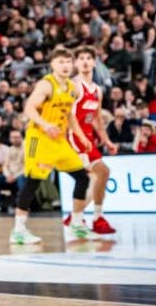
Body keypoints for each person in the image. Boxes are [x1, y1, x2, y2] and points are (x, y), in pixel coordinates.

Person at [12, 46, 93, 245]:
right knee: (33, 182)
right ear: (52, 65)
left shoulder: (73, 88)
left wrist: (81, 136)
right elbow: (29, 109)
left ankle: (76, 223)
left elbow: (70, 115)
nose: (65, 66)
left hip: (59, 140)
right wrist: (46, 125)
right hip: (38, 139)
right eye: (60, 62)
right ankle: (19, 230)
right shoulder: (46, 85)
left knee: (82, 177)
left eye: (67, 62)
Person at [69, 46, 117, 236]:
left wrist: (107, 141)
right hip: (75, 138)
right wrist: (78, 138)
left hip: (89, 139)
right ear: (76, 63)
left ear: (95, 62)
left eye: (89, 58)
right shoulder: (73, 86)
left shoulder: (97, 90)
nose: (86, 61)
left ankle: (94, 217)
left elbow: (97, 120)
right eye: (81, 58)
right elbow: (69, 118)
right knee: (87, 179)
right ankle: (78, 218)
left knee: (103, 173)